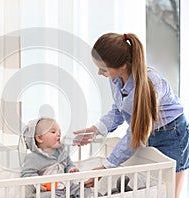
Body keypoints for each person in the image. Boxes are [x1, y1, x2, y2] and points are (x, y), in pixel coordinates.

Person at [73, 32, 189, 198]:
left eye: (103, 69)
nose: (100, 73)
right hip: (148, 132)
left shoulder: (150, 85)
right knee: (151, 187)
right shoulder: (116, 79)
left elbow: (136, 132)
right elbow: (119, 109)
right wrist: (96, 129)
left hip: (171, 132)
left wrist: (107, 167)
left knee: (169, 191)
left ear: (122, 66)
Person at [21, 117, 91, 198]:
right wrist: (38, 184)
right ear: (39, 138)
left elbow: (69, 165)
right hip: (48, 190)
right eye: (53, 132)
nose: (59, 134)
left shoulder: (63, 153)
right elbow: (27, 174)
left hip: (66, 187)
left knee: (84, 189)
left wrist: (72, 169)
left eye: (59, 131)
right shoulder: (34, 157)